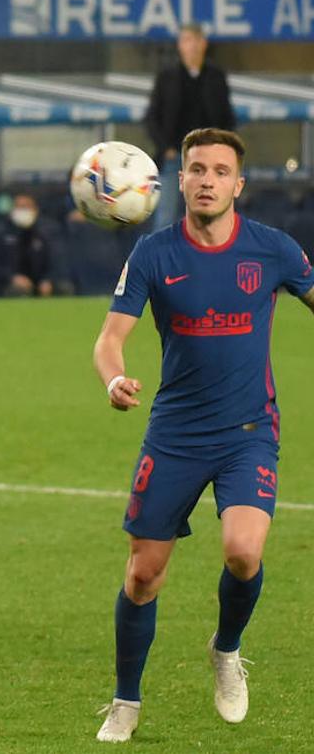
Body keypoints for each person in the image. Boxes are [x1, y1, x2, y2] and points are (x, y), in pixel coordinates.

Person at [92, 128, 314, 743]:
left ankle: (226, 649)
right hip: (175, 435)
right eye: (197, 169)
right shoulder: (154, 254)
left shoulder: (273, 251)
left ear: (238, 185)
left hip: (249, 432)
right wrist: (113, 381)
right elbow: (110, 340)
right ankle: (126, 701)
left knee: (244, 552)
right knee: (143, 576)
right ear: (179, 181)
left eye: (220, 170)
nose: (208, 179)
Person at [144, 23, 234, 231]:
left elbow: (226, 118)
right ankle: (162, 263)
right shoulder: (167, 77)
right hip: (174, 157)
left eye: (195, 40)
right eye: (186, 40)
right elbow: (151, 117)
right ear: (179, 45)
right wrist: (165, 148)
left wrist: (223, 150)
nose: (191, 46)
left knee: (210, 219)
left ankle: (207, 262)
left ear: (204, 44)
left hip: (209, 160)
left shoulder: (216, 77)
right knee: (165, 218)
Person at [0, 193, 70, 298]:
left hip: (40, 283)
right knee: (16, 290)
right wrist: (12, 277)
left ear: (35, 210)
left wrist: (47, 279)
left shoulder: (44, 235)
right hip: (9, 284)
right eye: (19, 207)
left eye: (27, 207)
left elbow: (55, 262)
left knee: (64, 288)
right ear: (11, 211)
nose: (23, 211)